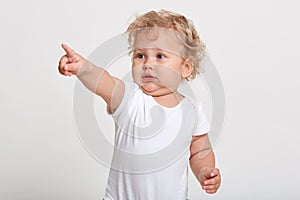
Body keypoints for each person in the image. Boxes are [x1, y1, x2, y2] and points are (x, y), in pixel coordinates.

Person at [58, 9, 221, 200]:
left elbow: (200, 150)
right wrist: (82, 68)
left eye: (160, 56)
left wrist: (205, 171)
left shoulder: (192, 110)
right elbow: (104, 81)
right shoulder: (129, 98)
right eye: (140, 55)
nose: (147, 63)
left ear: (185, 67)